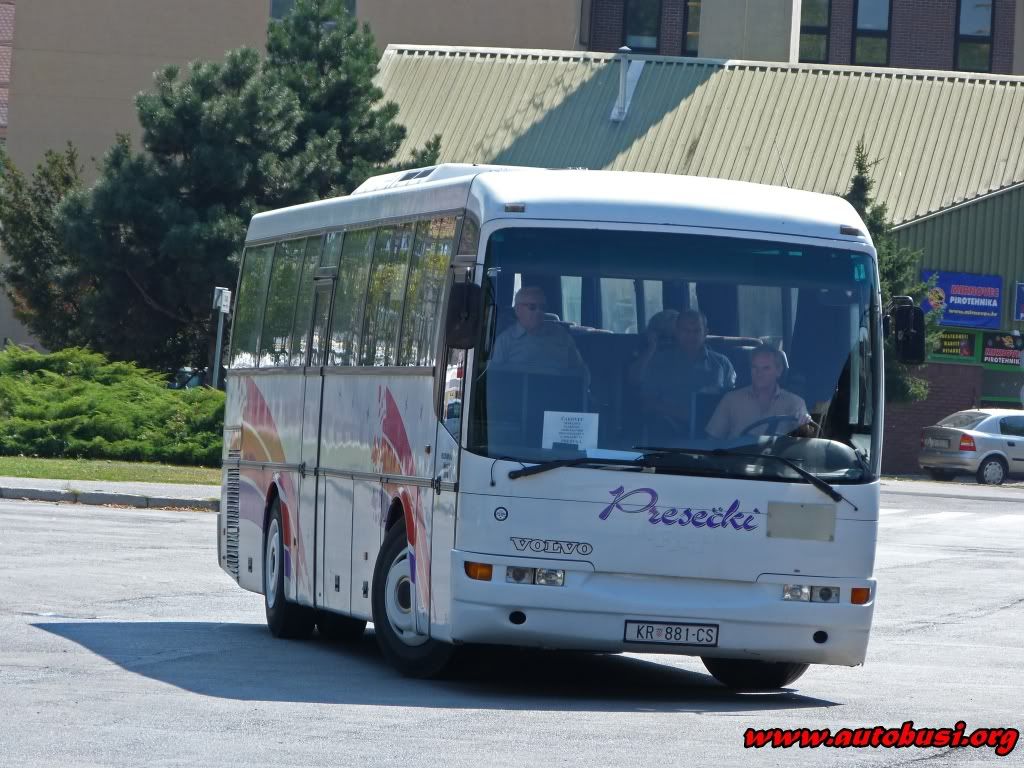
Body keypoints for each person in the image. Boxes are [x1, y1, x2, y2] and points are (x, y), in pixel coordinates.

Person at [629, 309, 736, 432]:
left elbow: (733, 400)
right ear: (676, 332)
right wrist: (685, 414)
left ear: (705, 333)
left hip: (713, 431)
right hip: (669, 430)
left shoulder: (722, 363)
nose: (691, 336)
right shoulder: (658, 361)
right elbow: (647, 402)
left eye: (696, 331)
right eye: (685, 331)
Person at [705, 344, 810, 439]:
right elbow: (711, 441)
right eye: (754, 367)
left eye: (766, 368)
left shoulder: (795, 403)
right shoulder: (731, 400)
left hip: (777, 454)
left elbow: (806, 443)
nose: (759, 373)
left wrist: (804, 425)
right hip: (737, 454)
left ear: (779, 371)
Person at [490, 286, 589, 378]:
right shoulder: (504, 341)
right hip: (519, 391)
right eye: (532, 307)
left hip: (558, 390)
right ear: (518, 310)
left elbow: (582, 373)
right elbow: (496, 378)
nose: (538, 311)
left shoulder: (561, 335)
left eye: (542, 308)